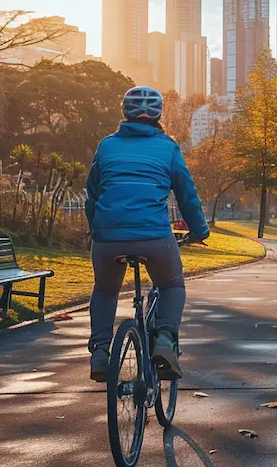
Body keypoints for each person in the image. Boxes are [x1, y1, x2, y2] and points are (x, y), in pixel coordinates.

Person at [85, 86, 209, 383]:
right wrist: (199, 230)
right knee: (172, 286)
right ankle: (165, 340)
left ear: (124, 113)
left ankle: (101, 352)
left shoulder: (106, 146)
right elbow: (186, 194)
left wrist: (97, 228)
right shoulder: (168, 147)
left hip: (106, 238)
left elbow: (92, 194)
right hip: (153, 236)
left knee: (105, 290)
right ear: (158, 116)